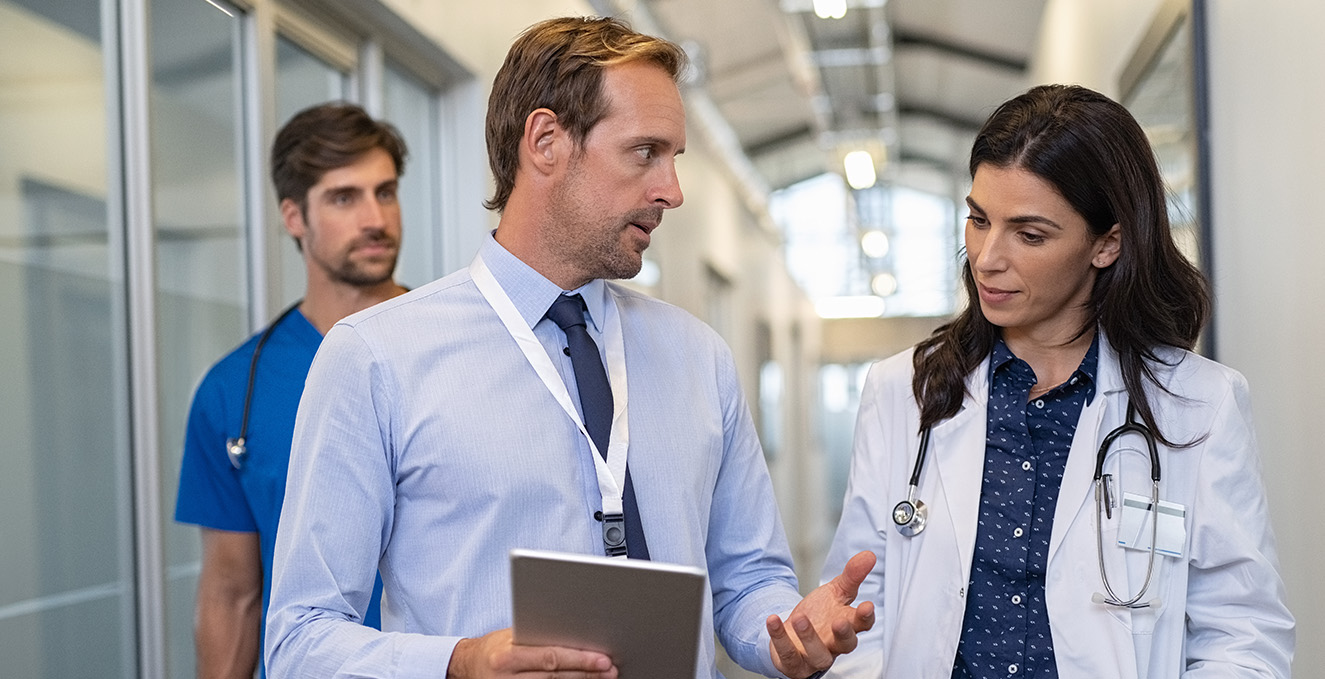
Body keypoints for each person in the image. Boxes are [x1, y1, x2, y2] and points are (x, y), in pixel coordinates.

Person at [265, 16, 875, 679]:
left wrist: (790, 632)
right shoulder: (377, 357)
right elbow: (300, 639)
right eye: (645, 152)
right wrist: (459, 661)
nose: (671, 189)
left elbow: (748, 581)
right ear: (547, 141)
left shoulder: (699, 357)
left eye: (674, 158)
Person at [819, 84, 1295, 678]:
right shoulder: (903, 390)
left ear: (1106, 243)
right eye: (978, 219)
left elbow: (1243, 633)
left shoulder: (1200, 404)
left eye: (1030, 234)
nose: (987, 257)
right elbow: (860, 603)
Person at [174, 102, 409, 678]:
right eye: (343, 197)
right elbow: (232, 594)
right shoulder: (234, 391)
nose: (375, 218)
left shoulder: (459, 347)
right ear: (293, 217)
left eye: (385, 192)